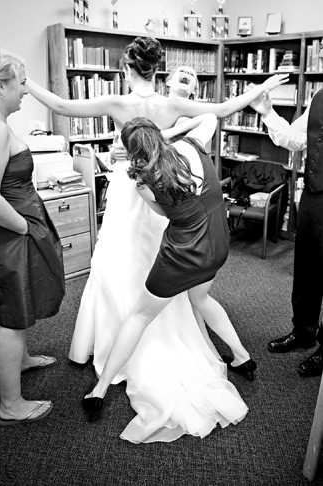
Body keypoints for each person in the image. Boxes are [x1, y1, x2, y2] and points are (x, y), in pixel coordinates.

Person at [27, 36, 286, 439]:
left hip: (137, 186)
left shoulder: (117, 103)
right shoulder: (172, 105)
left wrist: (25, 82)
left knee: (119, 266)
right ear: (156, 69)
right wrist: (261, 87)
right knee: (159, 260)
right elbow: (221, 109)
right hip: (167, 192)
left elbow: (60, 106)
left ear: (128, 68)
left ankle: (110, 359)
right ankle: (192, 339)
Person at [82, 114, 256, 422]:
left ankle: (100, 389)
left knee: (139, 316)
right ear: (158, 135)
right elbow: (208, 117)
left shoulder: (142, 181)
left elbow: (164, 214)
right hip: (217, 244)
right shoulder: (193, 144)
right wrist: (168, 131)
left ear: (133, 151)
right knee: (201, 298)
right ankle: (242, 356)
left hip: (183, 254)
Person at [0, 46, 65, 427]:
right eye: (22, 83)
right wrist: (25, 227)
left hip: (13, 228)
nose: (26, 90)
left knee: (19, 304)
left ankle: (21, 361)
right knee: (12, 317)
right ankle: (10, 405)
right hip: (9, 233)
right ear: (1, 86)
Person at [249, 85, 323, 376]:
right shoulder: (319, 97)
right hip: (315, 195)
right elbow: (295, 138)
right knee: (306, 268)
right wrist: (268, 112)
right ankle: (303, 332)